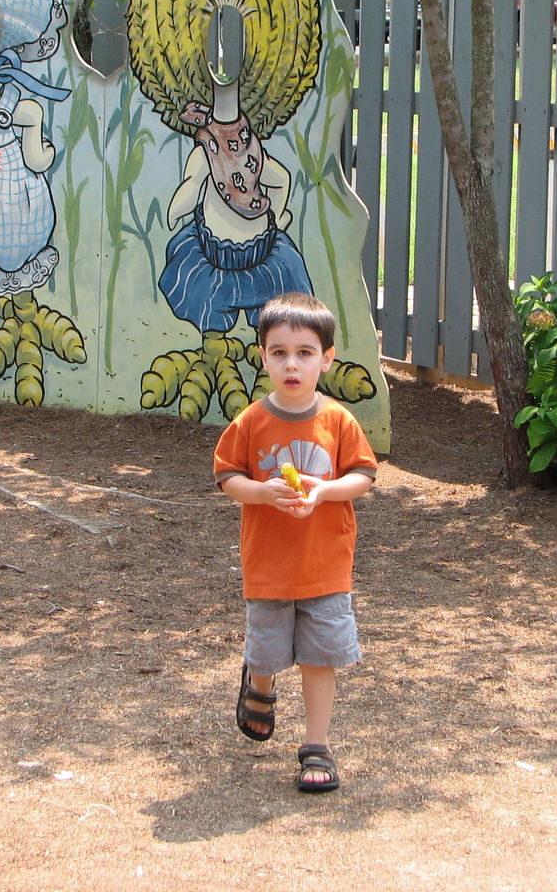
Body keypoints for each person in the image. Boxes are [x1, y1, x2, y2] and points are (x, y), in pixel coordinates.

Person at [212, 292, 378, 792]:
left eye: (305, 352)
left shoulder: (339, 421)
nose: (292, 363)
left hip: (326, 564)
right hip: (268, 565)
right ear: (263, 356)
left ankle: (317, 746)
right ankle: (258, 683)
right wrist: (261, 492)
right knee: (266, 651)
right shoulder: (251, 421)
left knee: (319, 656)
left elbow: (364, 475)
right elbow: (227, 478)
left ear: (326, 359)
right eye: (279, 352)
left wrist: (326, 489)